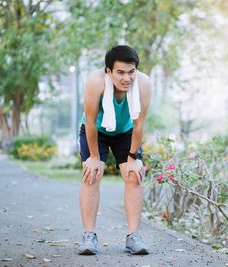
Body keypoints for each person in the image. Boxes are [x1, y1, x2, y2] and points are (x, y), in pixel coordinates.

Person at [77, 45, 151, 255]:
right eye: (120, 72)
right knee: (92, 174)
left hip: (126, 131)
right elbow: (90, 122)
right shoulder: (96, 81)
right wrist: (93, 157)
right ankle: (89, 236)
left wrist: (133, 157)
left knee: (133, 176)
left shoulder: (144, 84)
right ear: (109, 71)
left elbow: (139, 124)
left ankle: (133, 236)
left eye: (131, 72)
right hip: (96, 130)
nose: (126, 78)